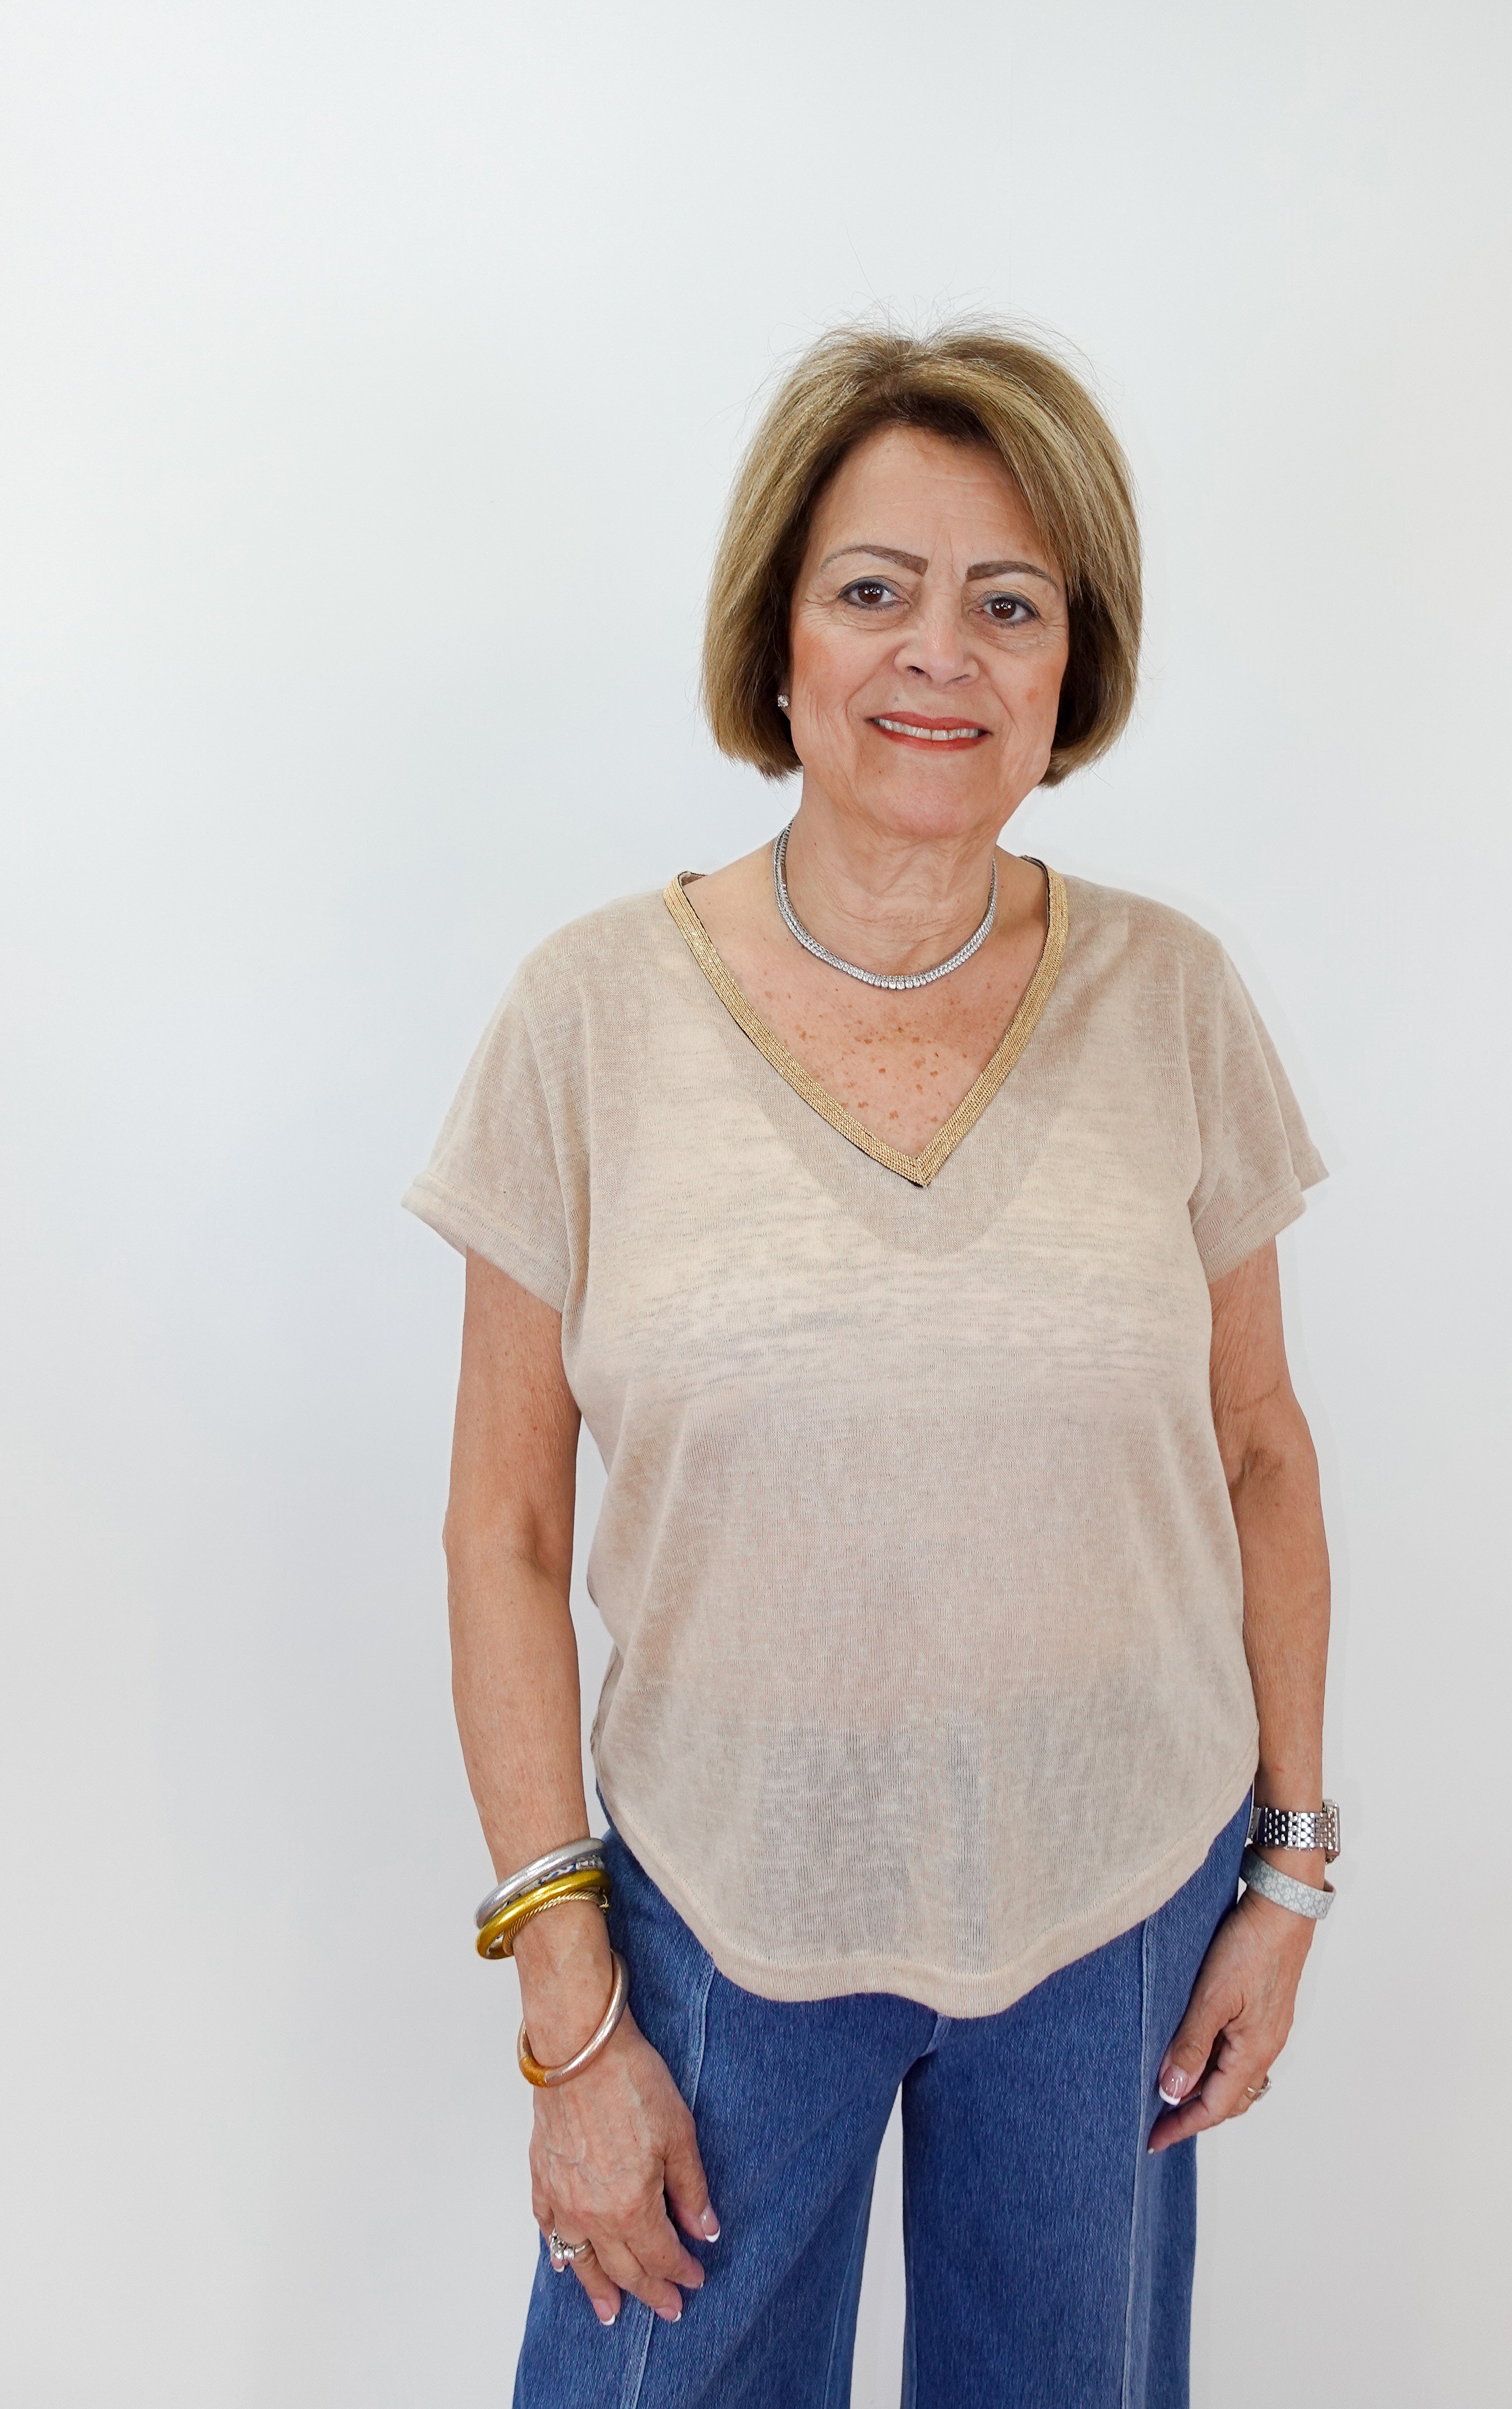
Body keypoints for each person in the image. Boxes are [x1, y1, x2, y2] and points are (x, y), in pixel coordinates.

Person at [406, 320, 1337, 2409]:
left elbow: (1259, 1449)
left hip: (1118, 1891)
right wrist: (572, 1998)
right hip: (727, 1901)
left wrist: (1286, 1869)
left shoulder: (1172, 1002)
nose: (944, 652)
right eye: (876, 588)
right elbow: (504, 1519)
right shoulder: (589, 1019)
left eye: (1010, 603)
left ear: (1070, 665)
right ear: (783, 633)